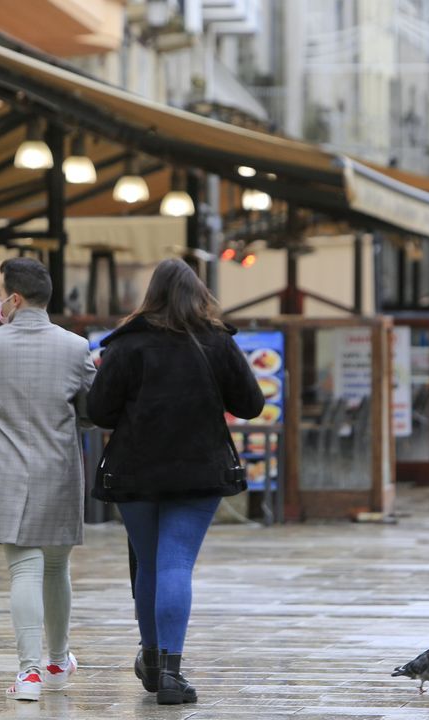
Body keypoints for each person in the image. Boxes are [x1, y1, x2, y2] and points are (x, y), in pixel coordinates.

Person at [87, 259, 264, 705]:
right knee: (175, 565)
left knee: (150, 564)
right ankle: (170, 672)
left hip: (135, 471)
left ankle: (150, 658)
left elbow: (100, 412)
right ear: (198, 294)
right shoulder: (216, 342)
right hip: (198, 471)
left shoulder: (126, 344)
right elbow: (251, 405)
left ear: (152, 294)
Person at [0, 257, 96, 702]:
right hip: (58, 469)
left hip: (7, 469)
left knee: (23, 567)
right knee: (57, 566)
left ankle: (29, 674)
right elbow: (91, 413)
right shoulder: (76, 347)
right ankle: (57, 662)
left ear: (14, 299)